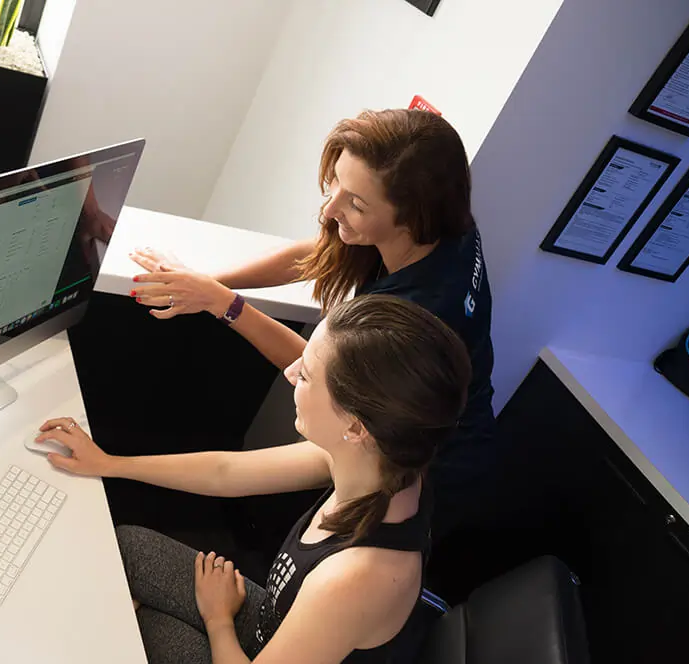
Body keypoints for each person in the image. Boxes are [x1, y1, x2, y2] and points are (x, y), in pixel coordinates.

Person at [36, 295, 472, 664]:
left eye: (307, 374)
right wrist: (110, 463)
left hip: (258, 638)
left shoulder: (356, 579)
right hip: (276, 618)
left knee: (134, 630)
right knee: (126, 547)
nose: (289, 373)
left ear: (356, 426)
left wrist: (219, 619)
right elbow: (226, 472)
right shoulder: (384, 460)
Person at [129, 109, 495, 541]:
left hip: (428, 470)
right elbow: (329, 249)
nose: (330, 207)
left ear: (410, 217)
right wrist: (210, 282)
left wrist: (223, 303)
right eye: (336, 183)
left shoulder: (412, 317)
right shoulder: (446, 231)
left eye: (355, 203)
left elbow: (319, 371)